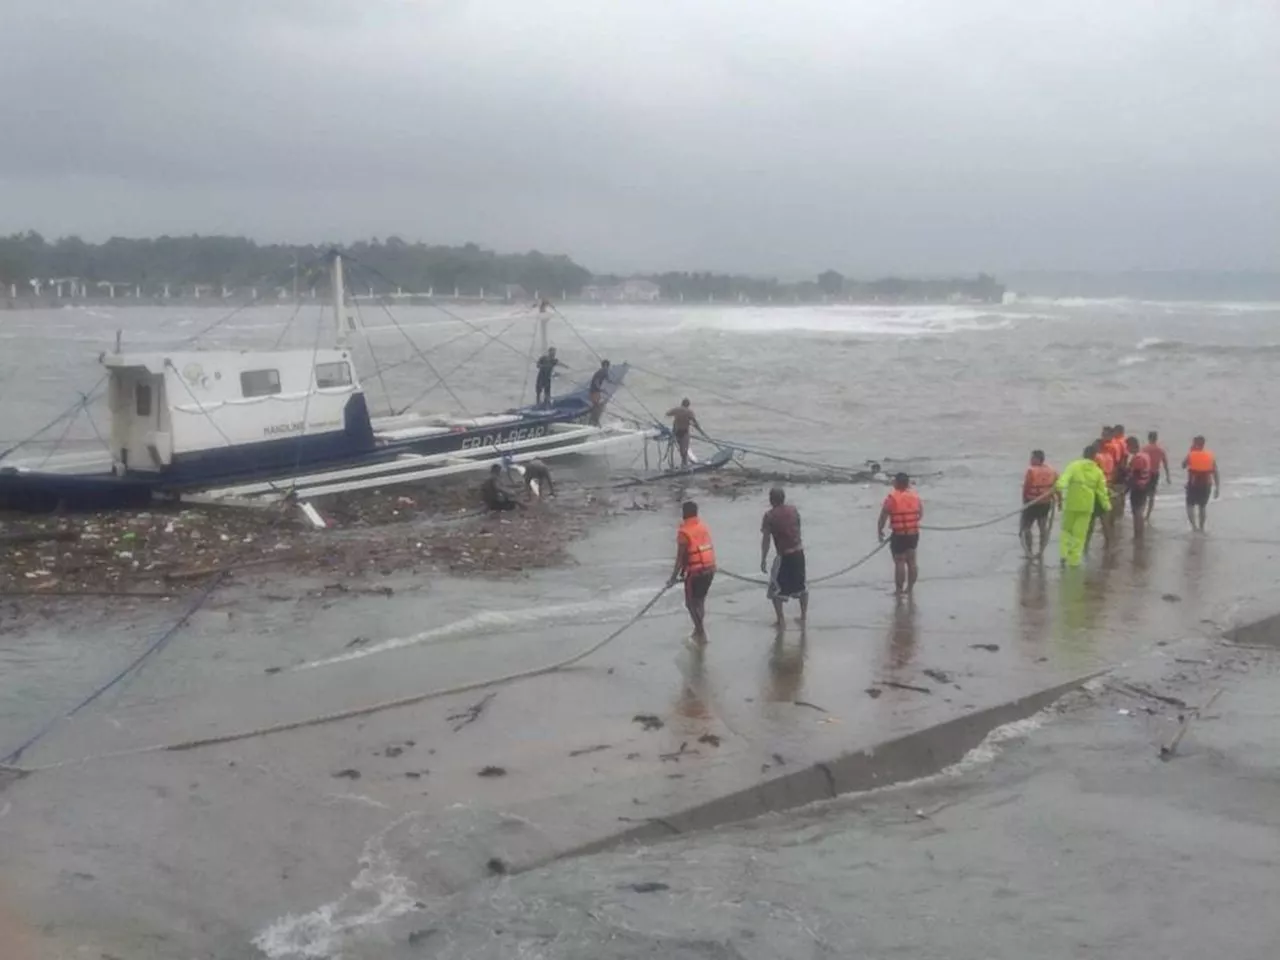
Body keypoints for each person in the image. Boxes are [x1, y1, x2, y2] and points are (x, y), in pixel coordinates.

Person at [1056, 444, 1111, 568]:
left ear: (1083, 454)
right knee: (1080, 534)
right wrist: (1107, 506)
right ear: (1094, 456)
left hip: (1072, 504)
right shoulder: (1098, 472)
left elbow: (1064, 480)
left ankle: (1064, 555)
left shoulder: (1073, 466)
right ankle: (1074, 561)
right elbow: (1102, 492)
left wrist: (1058, 486)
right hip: (1087, 506)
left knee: (1067, 530)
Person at [760, 486, 808, 626]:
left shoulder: (769, 516)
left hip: (784, 555)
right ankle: (803, 616)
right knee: (802, 586)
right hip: (799, 552)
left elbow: (766, 539)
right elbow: (798, 528)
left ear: (771, 500)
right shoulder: (794, 510)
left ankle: (780, 619)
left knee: (775, 589)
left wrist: (763, 558)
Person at [669, 500, 716, 642]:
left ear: (684, 514)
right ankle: (698, 630)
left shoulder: (684, 532)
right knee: (700, 601)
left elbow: (680, 557)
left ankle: (701, 633)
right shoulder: (703, 527)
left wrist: (672, 578)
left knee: (690, 604)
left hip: (695, 572)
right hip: (710, 569)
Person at [878, 473, 922, 596]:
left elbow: (883, 516)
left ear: (896, 483)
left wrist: (880, 530)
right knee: (912, 561)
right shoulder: (915, 496)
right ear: (908, 483)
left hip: (899, 534)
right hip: (913, 533)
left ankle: (898, 590)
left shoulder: (892, 498)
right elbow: (920, 513)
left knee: (900, 561)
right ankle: (910, 589)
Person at [1020, 450, 1059, 560]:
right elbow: (1057, 487)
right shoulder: (1052, 471)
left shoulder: (1031, 471)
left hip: (1032, 503)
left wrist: (1024, 502)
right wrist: (1060, 501)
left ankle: (1030, 551)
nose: (1030, 460)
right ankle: (1041, 551)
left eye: (1032, 458)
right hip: (1045, 502)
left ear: (1037, 459)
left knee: (1026, 527)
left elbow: (1026, 488)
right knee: (1043, 526)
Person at [1182, 435, 1220, 532]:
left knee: (1190, 505)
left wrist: (1190, 452)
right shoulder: (1210, 456)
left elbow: (1183, 465)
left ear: (1195, 444)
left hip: (1193, 484)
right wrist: (1217, 488)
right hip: (1206, 485)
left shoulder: (1191, 454)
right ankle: (1201, 527)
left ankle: (1194, 527)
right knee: (1202, 507)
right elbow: (1215, 472)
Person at [1087, 434, 1116, 552]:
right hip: (1106, 487)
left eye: (1094, 447)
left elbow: (1092, 473)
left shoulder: (1097, 458)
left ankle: (1086, 544)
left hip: (1097, 490)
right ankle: (1109, 542)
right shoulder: (1109, 457)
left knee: (1091, 518)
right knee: (1104, 518)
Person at [1125, 436, 1153, 539]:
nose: (1127, 449)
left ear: (1132, 446)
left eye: (1127, 446)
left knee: (1137, 512)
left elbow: (1134, 475)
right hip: (1145, 485)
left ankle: (1138, 533)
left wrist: (1126, 488)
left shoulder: (1138, 458)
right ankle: (1139, 533)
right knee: (1140, 510)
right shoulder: (1145, 455)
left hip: (1138, 487)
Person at [1141, 430, 1172, 520]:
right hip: (1155, 474)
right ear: (1156, 438)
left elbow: (1139, 461)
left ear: (1149, 438)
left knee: (1143, 494)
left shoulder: (1144, 449)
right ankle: (1148, 515)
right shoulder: (1160, 450)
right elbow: (1165, 463)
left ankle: (1142, 512)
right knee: (1151, 495)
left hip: (1145, 473)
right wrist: (1168, 476)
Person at [665, 398, 704, 468]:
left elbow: (667, 414)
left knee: (681, 449)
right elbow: (695, 422)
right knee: (684, 450)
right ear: (688, 405)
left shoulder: (677, 409)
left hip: (676, 432)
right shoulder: (689, 412)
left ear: (682, 403)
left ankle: (683, 464)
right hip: (684, 432)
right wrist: (700, 430)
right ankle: (684, 464)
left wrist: (677, 416)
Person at [588, 359, 611, 426]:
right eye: (608, 366)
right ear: (606, 365)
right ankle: (594, 421)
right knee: (596, 405)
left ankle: (594, 421)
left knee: (596, 404)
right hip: (595, 390)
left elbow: (607, 379)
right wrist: (599, 388)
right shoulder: (603, 371)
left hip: (594, 390)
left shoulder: (601, 371)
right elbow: (597, 381)